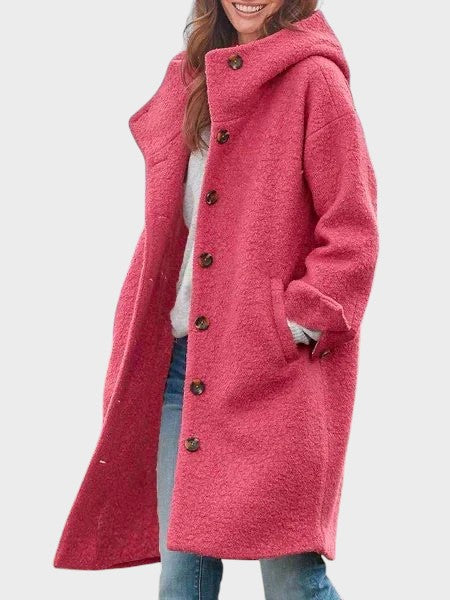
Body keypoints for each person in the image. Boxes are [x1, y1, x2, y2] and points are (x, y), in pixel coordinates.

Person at [54, 2, 379, 599]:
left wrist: (292, 325)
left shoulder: (314, 78)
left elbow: (352, 227)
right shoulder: (195, 79)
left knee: (291, 579)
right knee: (182, 576)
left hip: (272, 374)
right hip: (182, 366)